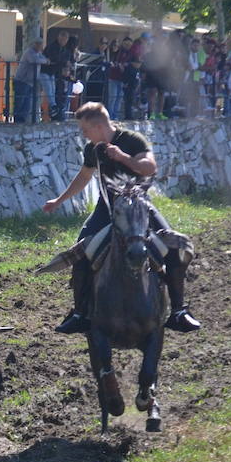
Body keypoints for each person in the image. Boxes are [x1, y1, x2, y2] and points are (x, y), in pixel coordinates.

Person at [42, 102, 201, 334]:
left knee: (176, 247)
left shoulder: (133, 140)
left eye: (85, 129)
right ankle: (80, 314)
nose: (83, 133)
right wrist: (59, 200)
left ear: (98, 126)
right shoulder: (92, 148)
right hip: (105, 210)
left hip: (139, 209)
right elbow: (84, 176)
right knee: (79, 254)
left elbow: (149, 168)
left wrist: (123, 157)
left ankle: (178, 311)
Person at [12, 39, 49, 124]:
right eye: (38, 44)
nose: (40, 46)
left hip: (30, 82)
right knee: (20, 102)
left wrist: (45, 60)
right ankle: (17, 121)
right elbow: (34, 60)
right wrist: (46, 61)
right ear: (34, 44)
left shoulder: (38, 54)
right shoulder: (29, 52)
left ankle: (22, 121)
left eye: (41, 44)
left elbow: (43, 58)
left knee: (27, 104)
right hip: (22, 80)